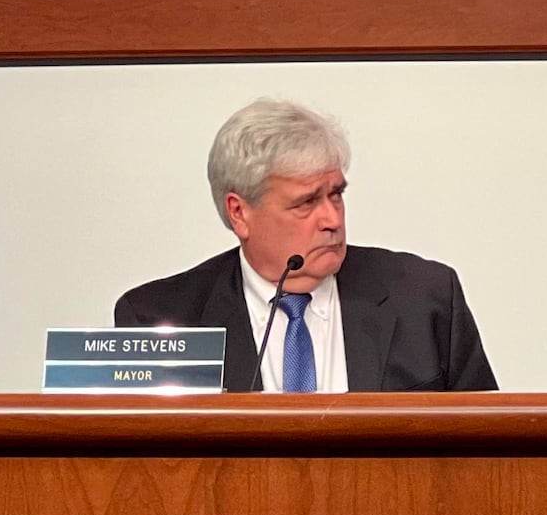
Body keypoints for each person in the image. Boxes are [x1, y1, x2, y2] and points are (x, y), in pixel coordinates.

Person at [114, 98, 496, 393]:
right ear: (239, 213)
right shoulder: (161, 319)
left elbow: (489, 452)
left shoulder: (423, 299)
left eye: (336, 195)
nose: (332, 219)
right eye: (307, 202)